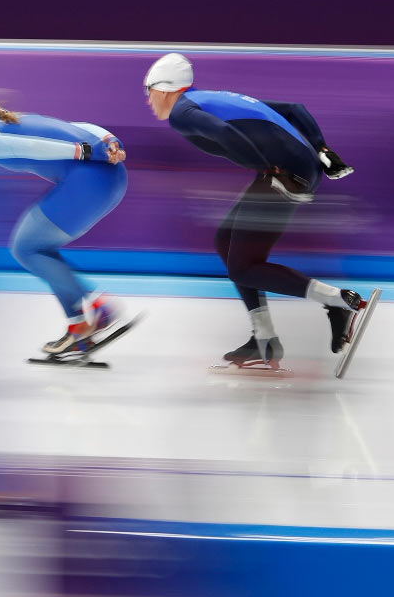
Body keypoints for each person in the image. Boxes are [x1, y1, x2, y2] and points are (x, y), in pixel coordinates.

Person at [142, 53, 362, 369]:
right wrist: (322, 149)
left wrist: (266, 166)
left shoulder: (182, 111)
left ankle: (339, 301)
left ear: (162, 89)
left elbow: (225, 134)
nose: (148, 101)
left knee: (243, 267)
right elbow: (294, 109)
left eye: (147, 91)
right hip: (293, 168)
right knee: (226, 240)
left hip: (285, 174)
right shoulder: (210, 98)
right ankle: (264, 338)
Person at [0, 75, 133, 360]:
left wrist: (85, 151)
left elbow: (32, 147)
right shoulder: (9, 119)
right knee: (39, 249)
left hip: (89, 179)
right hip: (113, 178)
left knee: (26, 247)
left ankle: (99, 306)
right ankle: (78, 327)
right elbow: (77, 127)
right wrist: (109, 141)